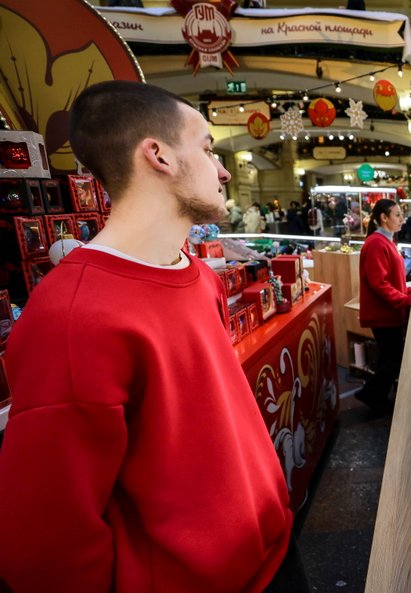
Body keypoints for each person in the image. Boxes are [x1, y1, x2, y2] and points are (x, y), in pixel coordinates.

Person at [0, 81, 304, 593]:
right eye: (207, 149)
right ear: (158, 155)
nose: (223, 168)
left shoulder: (199, 275)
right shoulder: (70, 315)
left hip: (272, 551)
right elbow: (46, 539)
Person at [354, 199, 411, 413]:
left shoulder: (387, 241)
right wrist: (405, 300)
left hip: (390, 312)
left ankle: (376, 397)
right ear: (383, 217)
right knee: (393, 359)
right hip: (384, 314)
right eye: (397, 215)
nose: (402, 219)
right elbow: (379, 283)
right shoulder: (376, 243)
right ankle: (371, 396)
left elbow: (393, 280)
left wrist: (409, 292)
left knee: (389, 358)